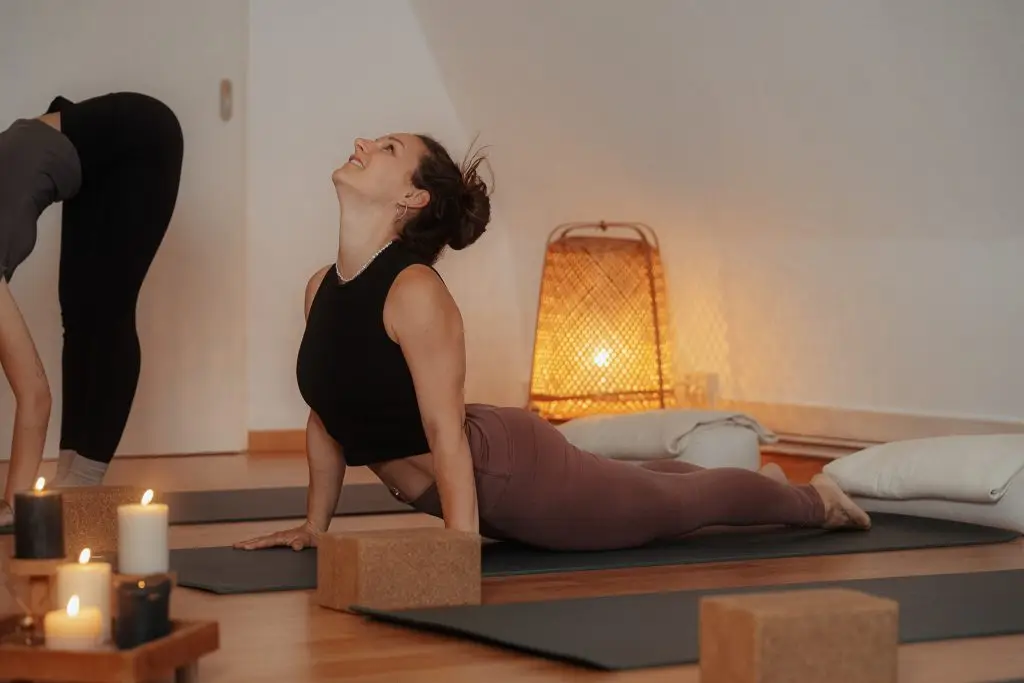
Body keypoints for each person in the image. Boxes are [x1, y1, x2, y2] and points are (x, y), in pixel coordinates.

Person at [235, 132, 871, 553]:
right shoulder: (322, 287)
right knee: (647, 482)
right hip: (484, 460)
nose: (362, 143)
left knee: (678, 504)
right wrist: (314, 529)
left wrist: (459, 552)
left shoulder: (413, 291)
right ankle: (748, 478)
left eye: (386, 146)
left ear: (411, 196)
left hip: (516, 475)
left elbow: (444, 430)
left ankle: (815, 501)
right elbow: (328, 413)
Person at [0, 92, 183, 525]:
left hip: (141, 139)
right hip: (85, 148)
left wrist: (13, 507)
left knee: (108, 308)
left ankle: (80, 480)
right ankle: (69, 478)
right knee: (80, 313)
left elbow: (35, 396)